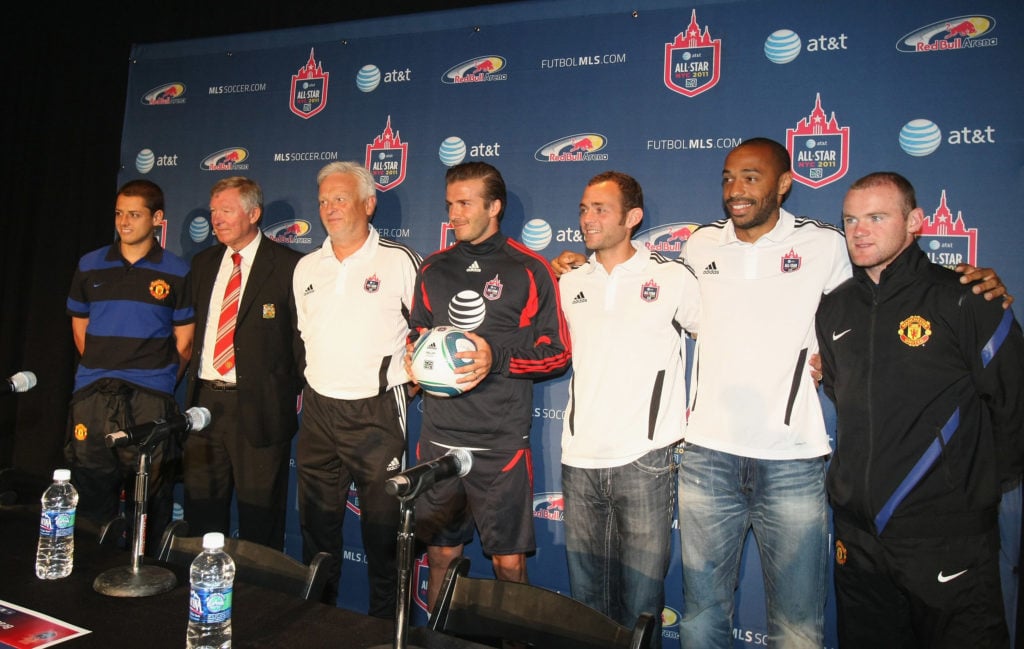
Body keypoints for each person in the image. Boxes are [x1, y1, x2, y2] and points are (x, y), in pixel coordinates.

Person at [815, 172, 1023, 648]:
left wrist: (970, 491)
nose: (859, 230)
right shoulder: (835, 309)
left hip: (947, 537)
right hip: (858, 538)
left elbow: (1013, 404)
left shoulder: (967, 296)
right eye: (850, 219)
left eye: (876, 217)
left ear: (915, 222)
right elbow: (844, 394)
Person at [407, 161, 571, 611]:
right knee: (441, 555)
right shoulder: (434, 268)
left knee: (509, 565)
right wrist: (414, 356)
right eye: (449, 204)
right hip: (440, 438)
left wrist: (494, 358)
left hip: (500, 444)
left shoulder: (529, 268)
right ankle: (439, 642)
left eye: (464, 204)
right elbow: (418, 332)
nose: (453, 214)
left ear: (494, 207)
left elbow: (558, 353)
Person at [557, 171, 699, 647]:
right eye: (583, 209)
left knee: (642, 605)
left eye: (600, 209)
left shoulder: (672, 276)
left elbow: (722, 337)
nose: (587, 218)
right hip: (580, 461)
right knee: (586, 606)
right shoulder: (570, 280)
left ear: (632, 218)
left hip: (646, 458)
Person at [292, 161, 421, 615]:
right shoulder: (306, 266)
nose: (329, 208)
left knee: (384, 537)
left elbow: (426, 331)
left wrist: (418, 370)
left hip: (377, 414)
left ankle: (388, 631)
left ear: (369, 203)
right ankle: (317, 623)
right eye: (324, 199)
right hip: (319, 414)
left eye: (340, 198)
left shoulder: (399, 260)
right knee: (317, 533)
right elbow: (307, 336)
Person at [65, 179, 194, 549]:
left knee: (150, 497)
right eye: (120, 213)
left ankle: (149, 575)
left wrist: (158, 382)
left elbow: (184, 340)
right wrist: (104, 366)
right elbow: (80, 329)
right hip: (92, 395)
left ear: (156, 218)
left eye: (134, 214)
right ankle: (88, 574)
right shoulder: (90, 264)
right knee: (91, 491)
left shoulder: (176, 270)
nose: (124, 222)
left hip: (150, 398)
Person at [183, 176, 304, 550]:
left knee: (260, 520)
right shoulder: (202, 264)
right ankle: (201, 595)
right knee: (201, 513)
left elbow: (302, 346)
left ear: (253, 213)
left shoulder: (288, 266)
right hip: (204, 406)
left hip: (259, 409)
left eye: (227, 210)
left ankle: (260, 602)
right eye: (214, 210)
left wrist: (279, 391)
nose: (216, 219)